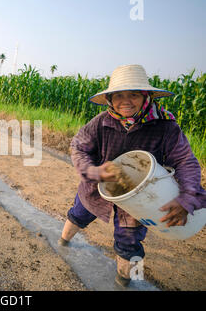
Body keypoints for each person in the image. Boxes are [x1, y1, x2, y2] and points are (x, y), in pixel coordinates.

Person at [60, 64, 206, 287]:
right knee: (77, 215)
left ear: (146, 96)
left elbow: (186, 162)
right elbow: (78, 147)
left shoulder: (165, 126)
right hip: (97, 190)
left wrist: (188, 197)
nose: (125, 101)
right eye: (118, 95)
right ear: (109, 98)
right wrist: (92, 171)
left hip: (139, 200)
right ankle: (62, 243)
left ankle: (131, 282)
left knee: (130, 245)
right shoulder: (101, 122)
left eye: (134, 94)